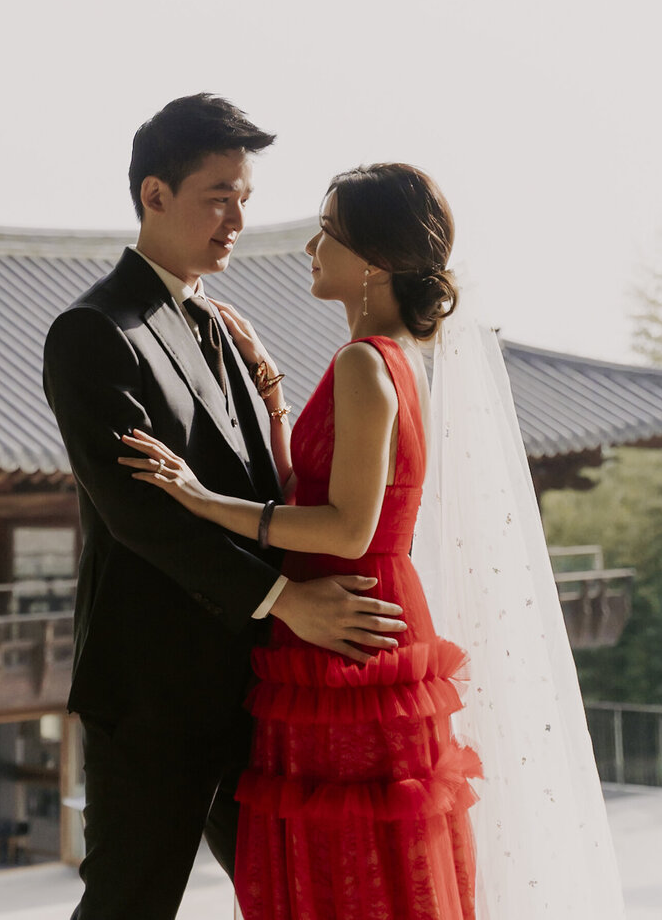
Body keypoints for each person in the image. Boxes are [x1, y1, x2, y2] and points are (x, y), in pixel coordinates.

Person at [42, 97, 407, 920]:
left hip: (262, 684)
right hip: (155, 692)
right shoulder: (94, 331)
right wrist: (287, 599)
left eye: (244, 197)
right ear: (153, 195)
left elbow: (267, 492)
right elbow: (140, 515)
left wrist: (273, 400)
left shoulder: (221, 323)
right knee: (130, 904)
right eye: (217, 196)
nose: (238, 218)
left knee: (299, 896)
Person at [121, 162, 482, 920]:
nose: (310, 246)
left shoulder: (361, 361)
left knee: (343, 861)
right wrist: (273, 392)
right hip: (358, 618)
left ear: (375, 264)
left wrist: (199, 497)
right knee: (374, 859)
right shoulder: (391, 357)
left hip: (343, 627)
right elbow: (309, 491)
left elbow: (347, 528)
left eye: (329, 232)